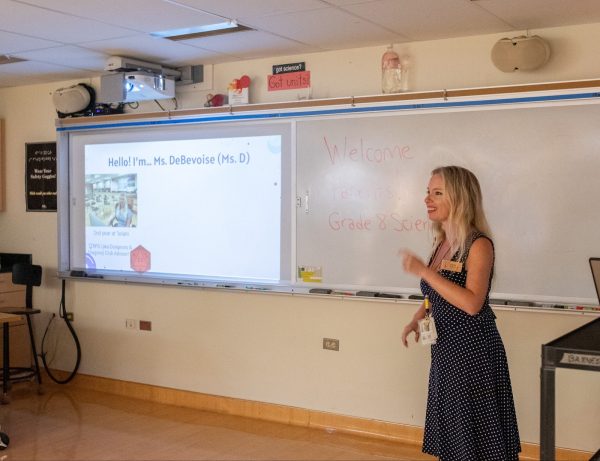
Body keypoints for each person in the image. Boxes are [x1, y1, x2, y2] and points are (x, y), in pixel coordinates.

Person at [400, 166, 521, 461]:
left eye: (437, 193)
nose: (428, 199)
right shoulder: (441, 243)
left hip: (473, 352)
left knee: (477, 435)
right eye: (427, 192)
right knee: (455, 432)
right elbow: (436, 294)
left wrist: (424, 271)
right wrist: (417, 319)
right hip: (446, 350)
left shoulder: (478, 244)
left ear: (460, 197)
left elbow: (471, 303)